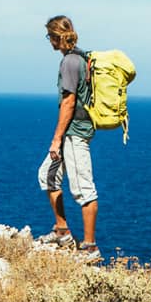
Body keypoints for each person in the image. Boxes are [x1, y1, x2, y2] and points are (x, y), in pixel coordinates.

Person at [36, 15, 99, 256]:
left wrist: (56, 138)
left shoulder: (70, 62)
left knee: (84, 188)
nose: (48, 41)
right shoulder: (80, 58)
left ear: (55, 36)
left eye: (49, 36)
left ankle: (90, 246)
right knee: (47, 175)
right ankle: (62, 231)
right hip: (74, 132)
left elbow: (69, 102)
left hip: (74, 134)